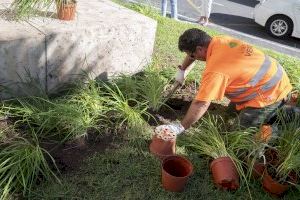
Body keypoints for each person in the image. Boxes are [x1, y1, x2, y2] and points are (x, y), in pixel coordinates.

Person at [156, 28, 299, 136]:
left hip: (269, 92)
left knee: (237, 135)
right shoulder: (219, 40)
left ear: (200, 49)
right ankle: (278, 110)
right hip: (273, 77)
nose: (191, 58)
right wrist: (182, 70)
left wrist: (181, 127)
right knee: (230, 113)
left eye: (191, 55)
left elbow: (201, 103)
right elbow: (193, 55)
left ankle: (290, 116)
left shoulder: (216, 70)